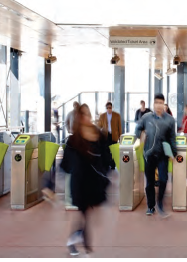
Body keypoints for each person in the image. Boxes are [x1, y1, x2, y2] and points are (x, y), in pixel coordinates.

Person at [60, 104, 112, 257]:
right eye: (84, 116)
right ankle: (86, 247)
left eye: (88, 115)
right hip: (79, 183)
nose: (87, 118)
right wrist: (49, 184)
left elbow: (107, 157)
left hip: (94, 182)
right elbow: (65, 164)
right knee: (84, 214)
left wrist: (106, 172)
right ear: (79, 118)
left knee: (87, 214)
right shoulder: (73, 140)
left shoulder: (99, 135)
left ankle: (73, 239)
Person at [136, 93, 177, 218]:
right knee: (149, 182)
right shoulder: (146, 118)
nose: (159, 105)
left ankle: (160, 204)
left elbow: (172, 138)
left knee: (163, 179)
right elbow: (137, 129)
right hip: (149, 154)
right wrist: (141, 134)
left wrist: (174, 154)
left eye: (161, 103)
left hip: (163, 155)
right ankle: (151, 206)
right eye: (156, 103)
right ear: (153, 104)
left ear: (164, 104)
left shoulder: (170, 120)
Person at [97, 102, 122, 170]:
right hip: (106, 135)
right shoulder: (102, 116)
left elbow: (119, 126)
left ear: (112, 108)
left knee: (114, 150)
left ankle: (113, 165)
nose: (109, 109)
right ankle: (107, 164)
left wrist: (120, 137)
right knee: (106, 150)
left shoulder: (117, 115)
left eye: (110, 108)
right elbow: (99, 126)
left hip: (114, 135)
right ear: (106, 108)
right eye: (107, 108)